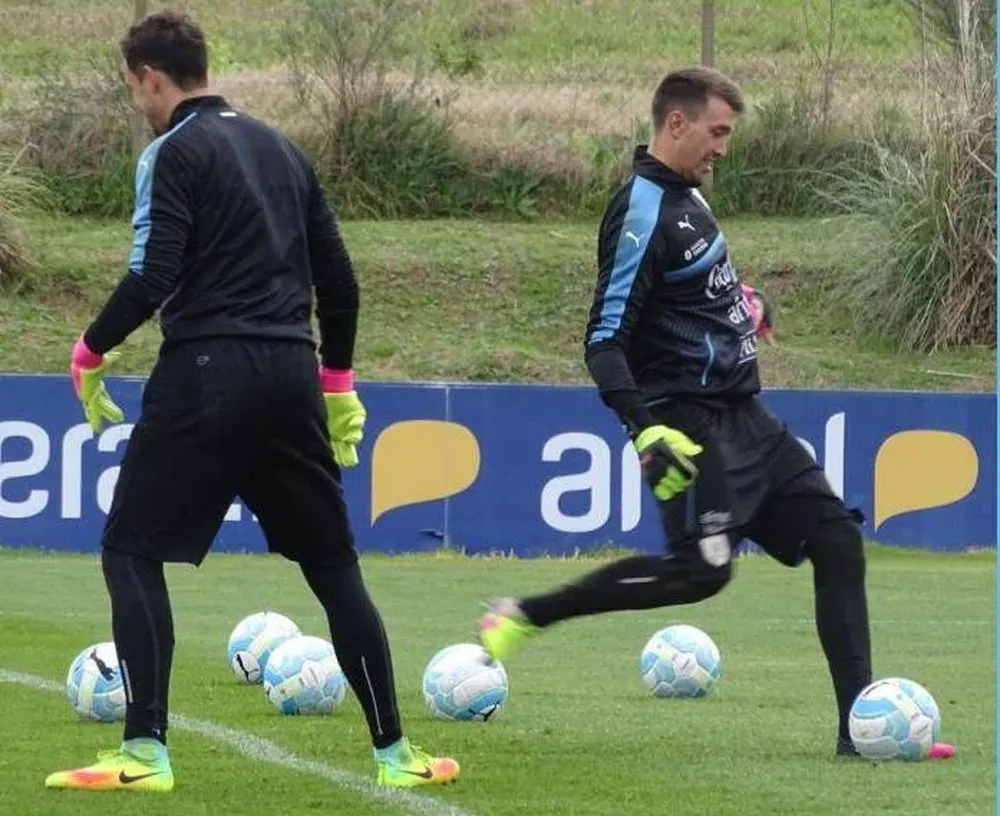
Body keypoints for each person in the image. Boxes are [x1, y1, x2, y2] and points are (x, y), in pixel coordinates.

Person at [476, 66, 954, 761]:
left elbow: (693, 292)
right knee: (702, 574)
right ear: (677, 123)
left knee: (837, 542)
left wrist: (743, 307)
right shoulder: (640, 209)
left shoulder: (691, 200)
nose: (724, 147)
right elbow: (604, 338)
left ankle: (862, 729)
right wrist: (645, 428)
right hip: (690, 425)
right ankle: (524, 615)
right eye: (717, 131)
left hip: (747, 418)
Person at [46, 11, 459, 793]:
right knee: (334, 567)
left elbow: (154, 272)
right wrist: (337, 385)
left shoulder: (171, 151)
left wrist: (91, 348)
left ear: (149, 78)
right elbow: (338, 283)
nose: (136, 100)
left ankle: (144, 751)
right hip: (290, 373)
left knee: (130, 552)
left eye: (133, 86)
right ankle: (396, 753)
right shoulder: (285, 150)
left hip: (207, 368)